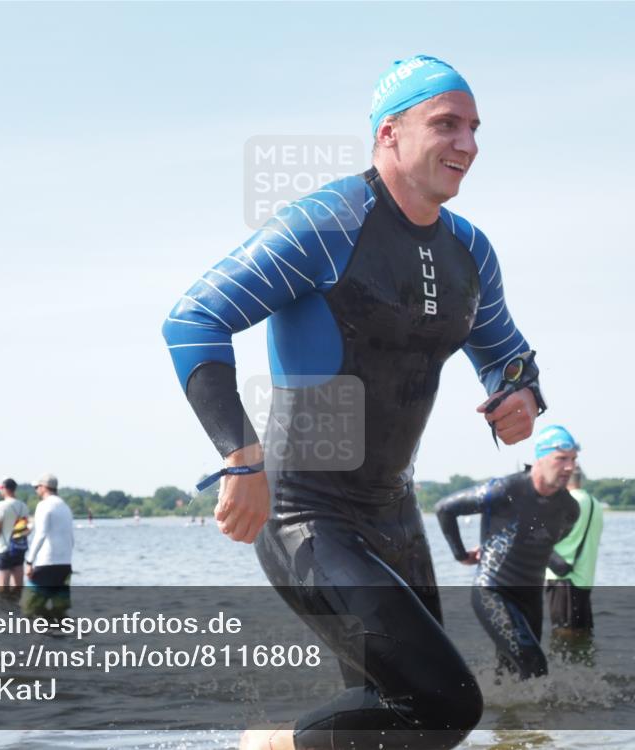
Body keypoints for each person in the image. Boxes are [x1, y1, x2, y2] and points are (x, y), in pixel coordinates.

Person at [163, 55, 547, 750]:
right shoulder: (328, 223)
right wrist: (241, 459)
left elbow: (508, 353)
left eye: (474, 128)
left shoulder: (470, 250)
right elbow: (194, 320)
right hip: (306, 514)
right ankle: (269, 745)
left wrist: (519, 393)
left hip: (395, 517)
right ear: (388, 133)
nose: (467, 143)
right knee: (444, 705)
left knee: (398, 723)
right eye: (447, 124)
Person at [435, 425, 580, 679]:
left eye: (573, 459)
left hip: (530, 597)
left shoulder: (569, 509)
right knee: (535, 665)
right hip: (493, 590)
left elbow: (547, 541)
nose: (569, 467)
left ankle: (497, 703)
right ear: (540, 458)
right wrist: (461, 555)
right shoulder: (505, 490)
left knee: (511, 673)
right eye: (561, 459)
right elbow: (445, 509)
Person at [545, 463, 604, 637]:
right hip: (585, 579)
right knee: (583, 634)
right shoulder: (595, 504)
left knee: (562, 634)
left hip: (563, 579)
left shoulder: (564, 503)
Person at [25, 473, 74, 587]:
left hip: (46, 563)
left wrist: (29, 562)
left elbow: (40, 535)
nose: (36, 490)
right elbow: (71, 539)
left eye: (37, 487)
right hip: (65, 565)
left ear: (44, 487)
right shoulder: (65, 507)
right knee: (60, 599)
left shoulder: (43, 505)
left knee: (30, 599)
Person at [0, 477, 30, 591]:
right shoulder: (23, 506)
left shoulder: (0, 506)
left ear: (5, 489)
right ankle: (16, 603)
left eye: (0, 488)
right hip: (18, 549)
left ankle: (6, 604)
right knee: (18, 589)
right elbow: (24, 530)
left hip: (3, 550)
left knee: (3, 591)